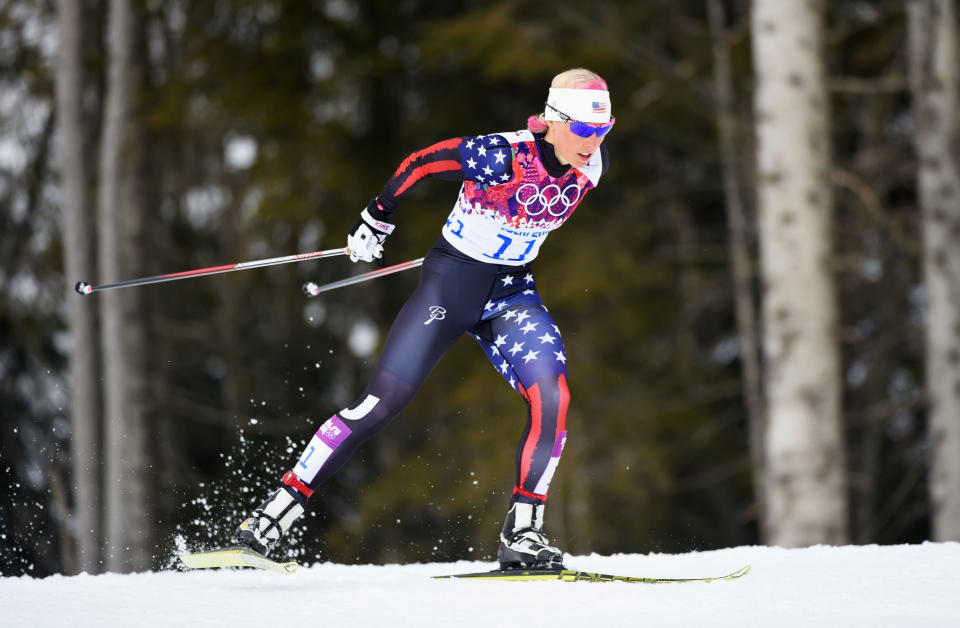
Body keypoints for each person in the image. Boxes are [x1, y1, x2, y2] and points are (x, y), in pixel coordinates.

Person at [235, 67, 613, 569]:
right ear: (553, 120)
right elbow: (421, 163)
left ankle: (522, 533)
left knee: (554, 395)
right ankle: (270, 518)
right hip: (451, 284)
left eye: (603, 130)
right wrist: (377, 216)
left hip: (510, 291)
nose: (593, 143)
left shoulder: (591, 167)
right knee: (379, 404)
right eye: (585, 130)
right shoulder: (502, 154)